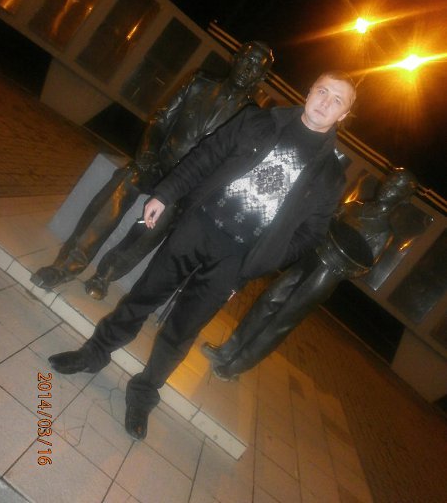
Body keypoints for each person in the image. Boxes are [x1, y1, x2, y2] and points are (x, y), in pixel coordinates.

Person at [48, 70, 356, 441]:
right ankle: (95, 352)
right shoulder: (258, 121)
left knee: (183, 330)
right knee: (143, 296)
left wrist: (260, 262)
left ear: (343, 115)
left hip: (237, 258)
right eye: (321, 90)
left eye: (336, 100)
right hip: (199, 225)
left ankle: (144, 392)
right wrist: (166, 194)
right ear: (309, 91)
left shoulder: (330, 177)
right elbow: (205, 156)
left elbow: (311, 234)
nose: (324, 102)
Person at [31, 41, 274, 297]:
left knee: (162, 219)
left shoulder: (251, 118)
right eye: (246, 60)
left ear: (261, 78)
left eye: (256, 68)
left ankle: (106, 275)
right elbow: (161, 119)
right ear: (235, 59)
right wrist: (147, 153)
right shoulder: (199, 82)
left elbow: (230, 164)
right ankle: (67, 265)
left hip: (187, 186)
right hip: (158, 163)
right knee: (126, 180)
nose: (248, 69)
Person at [201, 167, 418, 381]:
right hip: (311, 258)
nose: (389, 187)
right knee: (269, 299)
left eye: (396, 187)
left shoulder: (384, 231)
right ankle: (227, 351)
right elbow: (327, 223)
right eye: (390, 181)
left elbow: (364, 266)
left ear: (403, 198)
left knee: (281, 320)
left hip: (328, 273)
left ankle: (237, 365)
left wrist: (340, 260)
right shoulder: (356, 206)